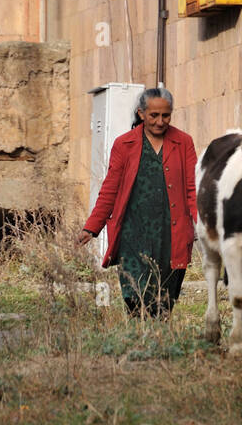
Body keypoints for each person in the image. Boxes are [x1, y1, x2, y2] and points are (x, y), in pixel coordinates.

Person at [78, 87, 198, 317]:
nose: (160, 121)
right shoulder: (124, 144)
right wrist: (92, 227)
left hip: (170, 233)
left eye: (166, 115)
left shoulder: (183, 142)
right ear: (141, 113)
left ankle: (159, 344)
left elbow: (193, 188)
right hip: (133, 234)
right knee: (135, 298)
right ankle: (138, 340)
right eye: (154, 115)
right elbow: (110, 190)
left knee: (164, 301)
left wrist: (202, 223)